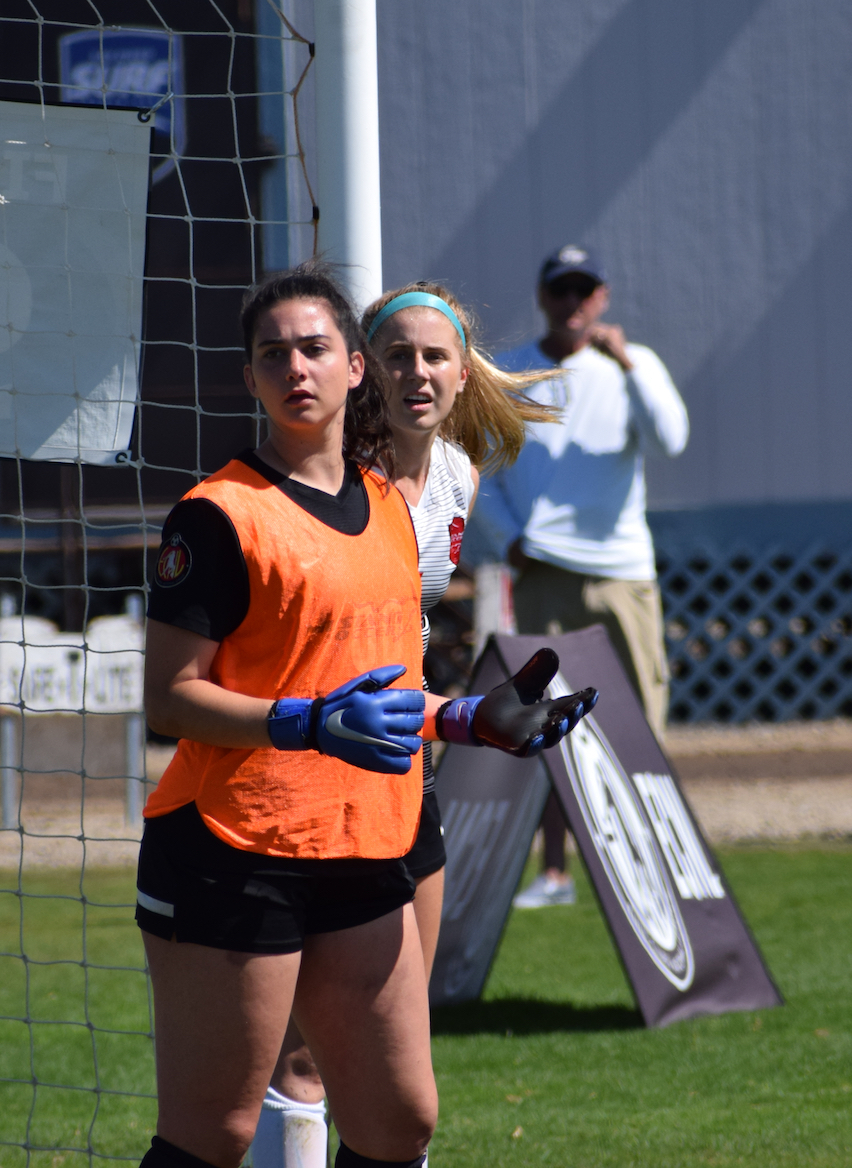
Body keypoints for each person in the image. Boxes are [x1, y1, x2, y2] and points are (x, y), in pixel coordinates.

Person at [137, 262, 595, 1168]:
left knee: (398, 1122)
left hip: (366, 841)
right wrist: (303, 724)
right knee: (214, 1136)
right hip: (236, 846)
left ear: (354, 369)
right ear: (251, 378)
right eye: (273, 354)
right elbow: (167, 698)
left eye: (314, 349)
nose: (294, 368)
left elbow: (379, 690)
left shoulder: (393, 506)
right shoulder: (219, 514)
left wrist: (471, 718)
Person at [247, 281, 563, 1168]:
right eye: (396, 354)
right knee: (305, 1057)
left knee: (394, 1052)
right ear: (362, 370)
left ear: (464, 373)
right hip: (312, 776)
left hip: (407, 772)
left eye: (434, 356)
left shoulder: (459, 477)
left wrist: (466, 718)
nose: (415, 372)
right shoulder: (335, 478)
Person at [475, 244, 689, 909]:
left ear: (603, 297)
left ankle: (656, 870)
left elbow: (672, 438)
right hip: (544, 572)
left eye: (584, 290)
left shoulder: (636, 365)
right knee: (546, 723)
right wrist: (511, 540)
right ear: (543, 297)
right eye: (560, 290)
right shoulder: (510, 371)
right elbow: (482, 474)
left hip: (624, 573)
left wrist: (626, 361)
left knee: (643, 723)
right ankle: (558, 874)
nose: (572, 303)